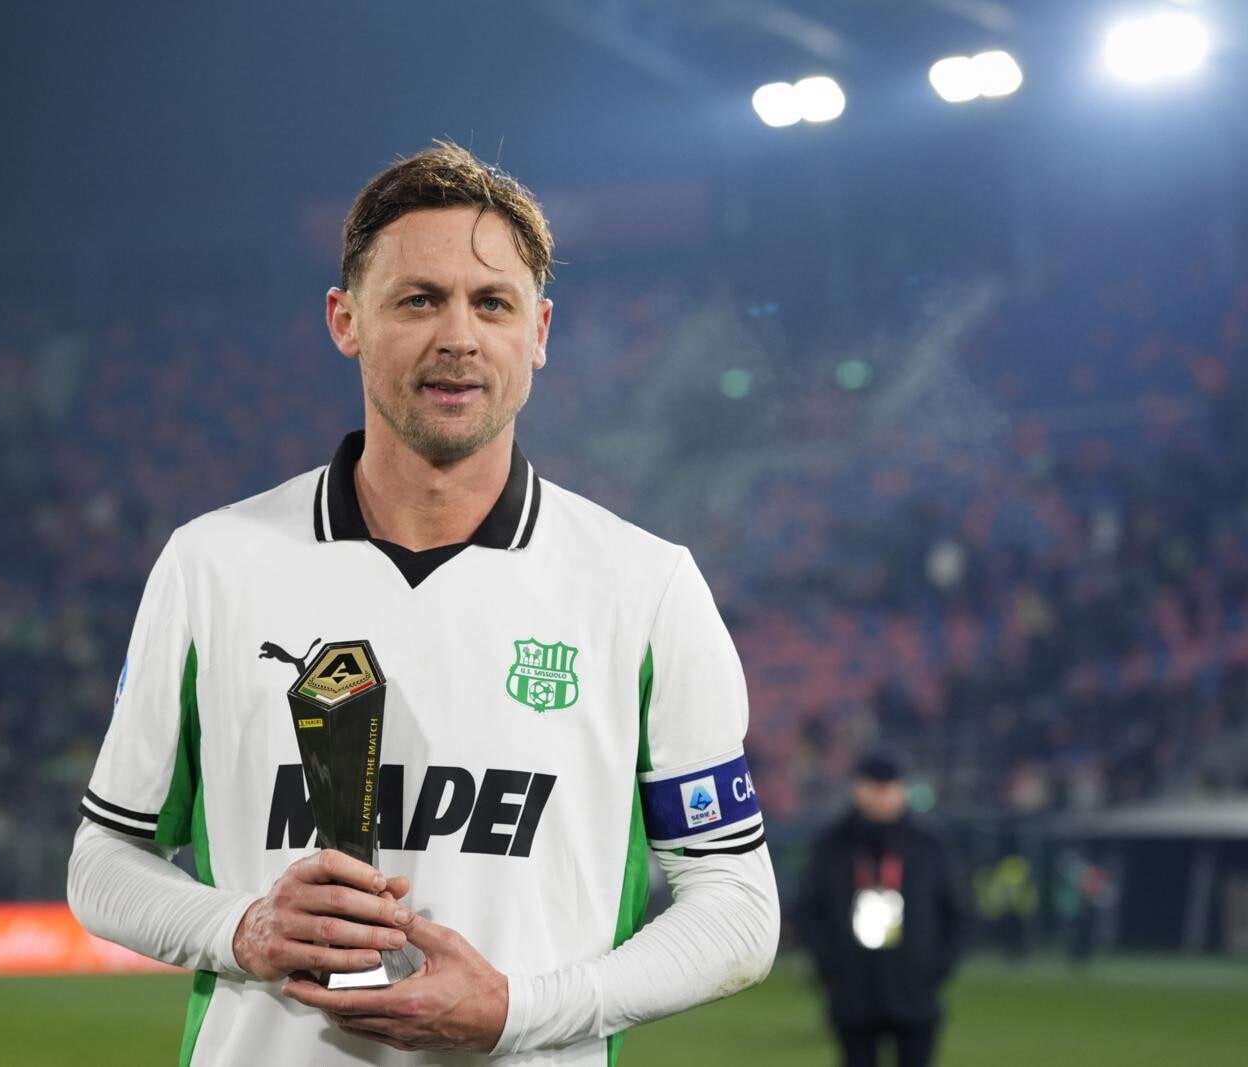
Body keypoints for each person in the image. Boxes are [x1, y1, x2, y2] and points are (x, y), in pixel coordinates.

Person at [66, 141, 780, 1065]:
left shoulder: (646, 588)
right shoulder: (213, 564)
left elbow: (738, 905)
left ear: (540, 332)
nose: (459, 336)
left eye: (493, 303)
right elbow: (104, 860)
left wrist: (521, 1009)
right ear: (345, 320)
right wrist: (242, 927)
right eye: (418, 299)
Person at [796, 750, 968, 1067]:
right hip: (854, 988)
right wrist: (830, 966)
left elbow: (956, 911)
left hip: (914, 988)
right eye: (874, 787)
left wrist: (936, 967)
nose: (881, 796)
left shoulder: (927, 843)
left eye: (889, 787)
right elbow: (808, 910)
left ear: (902, 790)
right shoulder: (833, 844)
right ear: (857, 789)